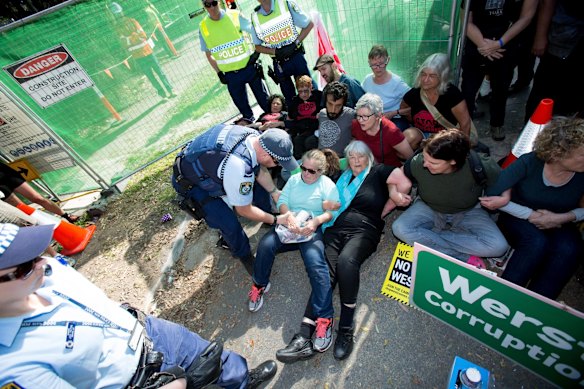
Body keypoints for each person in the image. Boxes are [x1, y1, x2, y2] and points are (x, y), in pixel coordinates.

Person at [0, 223, 277, 388]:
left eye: (37, 254)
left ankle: (242, 380)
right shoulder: (12, 367)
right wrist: (183, 384)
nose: (40, 264)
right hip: (139, 381)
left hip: (148, 332)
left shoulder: (46, 271)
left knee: (218, 358)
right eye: (24, 265)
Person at [276, 141, 401, 363]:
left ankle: (345, 328)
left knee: (346, 262)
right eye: (351, 157)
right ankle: (304, 334)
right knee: (326, 272)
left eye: (360, 156)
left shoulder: (379, 171)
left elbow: (404, 179)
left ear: (369, 156)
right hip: (335, 229)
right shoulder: (342, 178)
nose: (355, 161)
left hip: (365, 229)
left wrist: (391, 199)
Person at [171, 125, 298, 275]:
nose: (279, 166)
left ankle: (265, 216)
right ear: (266, 156)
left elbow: (258, 168)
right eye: (278, 162)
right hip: (193, 184)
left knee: (259, 187)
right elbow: (243, 209)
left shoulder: (255, 138)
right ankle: (245, 257)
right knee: (228, 223)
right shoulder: (239, 167)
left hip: (210, 165)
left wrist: (274, 191)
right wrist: (276, 220)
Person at [480, 117, 584, 300]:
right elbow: (491, 195)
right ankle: (502, 300)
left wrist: (561, 218)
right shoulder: (530, 162)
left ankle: (538, 305)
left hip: (561, 220)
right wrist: (530, 214)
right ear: (560, 152)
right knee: (536, 243)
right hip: (518, 217)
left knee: (569, 248)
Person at [248, 149, 339, 353]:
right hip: (290, 225)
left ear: (321, 172)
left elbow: (331, 213)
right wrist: (287, 215)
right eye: (304, 168)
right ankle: (260, 284)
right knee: (265, 245)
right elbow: (282, 201)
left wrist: (315, 222)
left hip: (310, 229)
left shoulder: (327, 185)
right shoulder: (295, 179)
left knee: (316, 265)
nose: (306, 174)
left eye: (312, 171)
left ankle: (325, 319)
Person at [389, 129, 508, 264]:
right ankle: (460, 256)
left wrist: (504, 198)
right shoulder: (420, 161)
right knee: (399, 228)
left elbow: (505, 180)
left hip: (469, 211)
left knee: (499, 246)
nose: (425, 164)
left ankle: (428, 237)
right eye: (425, 158)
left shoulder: (480, 164)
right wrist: (394, 193)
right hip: (429, 207)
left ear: (453, 161)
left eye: (433, 163)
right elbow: (396, 175)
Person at [460, 0, 537, 141]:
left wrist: (499, 43)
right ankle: (464, 127)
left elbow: (526, 17)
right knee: (468, 91)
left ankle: (497, 124)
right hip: (477, 44)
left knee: (501, 89)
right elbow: (465, 19)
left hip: (506, 45)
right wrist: (483, 45)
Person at [199, 0, 269, 123]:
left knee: (266, 104)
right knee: (246, 114)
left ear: (219, 2)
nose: (211, 7)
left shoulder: (234, 15)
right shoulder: (203, 26)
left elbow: (255, 31)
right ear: (203, 6)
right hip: (231, 75)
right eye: (207, 5)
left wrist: (256, 52)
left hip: (249, 68)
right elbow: (208, 54)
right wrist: (219, 72)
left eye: (214, 3)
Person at [400, 53, 473, 150]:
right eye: (423, 74)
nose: (426, 80)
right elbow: (404, 109)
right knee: (407, 138)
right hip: (422, 135)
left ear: (442, 77)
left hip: (445, 137)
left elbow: (465, 123)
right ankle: (412, 162)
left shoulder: (452, 94)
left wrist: (463, 149)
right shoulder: (414, 93)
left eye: (432, 76)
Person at [525, 0, 584, 121]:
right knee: (545, 91)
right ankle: (532, 132)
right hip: (564, 35)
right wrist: (540, 36)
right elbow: (547, 3)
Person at [250, 0, 315, 105]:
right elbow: (257, 46)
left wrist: (295, 43)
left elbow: (309, 25)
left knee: (309, 92)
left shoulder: (285, 4)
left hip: (296, 57)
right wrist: (274, 51)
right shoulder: (255, 17)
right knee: (290, 99)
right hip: (279, 62)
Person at [110, 2, 175, 100]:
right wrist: (134, 36)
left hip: (148, 51)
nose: (119, 16)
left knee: (160, 72)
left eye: (119, 13)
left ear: (122, 12)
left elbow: (143, 35)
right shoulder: (117, 28)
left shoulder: (132, 21)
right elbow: (124, 42)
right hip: (137, 56)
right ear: (114, 16)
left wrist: (130, 38)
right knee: (150, 76)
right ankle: (163, 95)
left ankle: (170, 90)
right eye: (116, 14)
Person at [0, 161, 77, 223]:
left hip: (6, 173)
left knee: (37, 198)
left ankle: (66, 215)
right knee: (22, 208)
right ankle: (47, 226)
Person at [351, 93, 414, 167]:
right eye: (358, 116)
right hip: (365, 168)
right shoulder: (356, 125)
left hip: (388, 171)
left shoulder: (391, 131)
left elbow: (410, 158)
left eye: (365, 116)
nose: (360, 120)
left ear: (378, 115)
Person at [361, 45, 411, 131]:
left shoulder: (397, 82)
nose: (377, 68)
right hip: (375, 118)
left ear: (388, 60)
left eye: (381, 64)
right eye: (373, 65)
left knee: (391, 133)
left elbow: (415, 105)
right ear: (369, 62)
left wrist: (394, 113)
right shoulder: (367, 80)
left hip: (396, 118)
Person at [286, 75, 323, 159]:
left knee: (309, 142)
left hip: (316, 128)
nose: (303, 94)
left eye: (306, 91)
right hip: (302, 130)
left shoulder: (318, 96)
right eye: (300, 92)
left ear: (311, 87)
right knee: (297, 141)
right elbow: (290, 117)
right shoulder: (295, 101)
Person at [317, 81, 355, 157]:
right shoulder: (321, 114)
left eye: (338, 106)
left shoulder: (351, 115)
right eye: (330, 104)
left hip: (340, 162)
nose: (333, 110)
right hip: (321, 160)